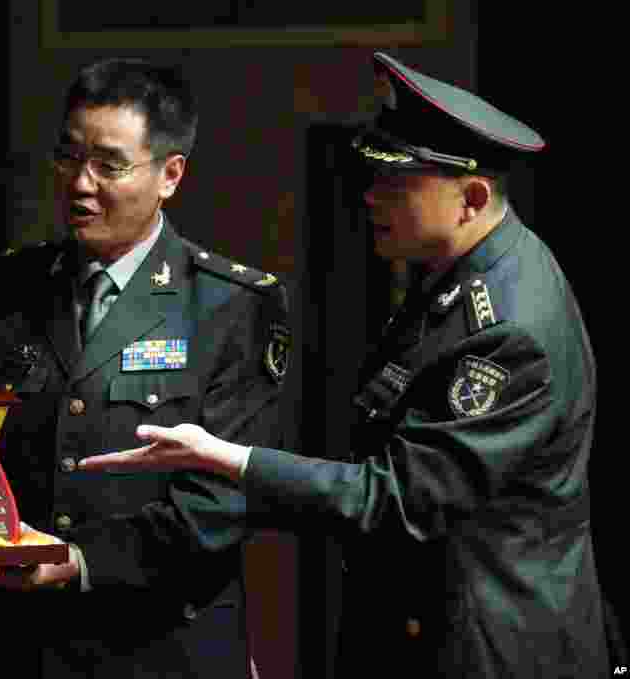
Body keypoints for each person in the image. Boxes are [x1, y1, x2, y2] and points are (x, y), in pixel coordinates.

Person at [80, 52, 610, 678]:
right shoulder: (459, 273)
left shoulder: (507, 328)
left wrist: (230, 459)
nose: (369, 197)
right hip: (425, 625)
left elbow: (400, 500)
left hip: (488, 647)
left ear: (470, 198)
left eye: (395, 185)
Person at [0, 58, 290, 679]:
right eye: (68, 157)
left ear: (170, 175)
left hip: (157, 647)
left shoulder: (230, 304)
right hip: (16, 645)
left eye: (108, 165)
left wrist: (83, 562)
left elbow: (224, 500)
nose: (80, 183)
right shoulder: (0, 289)